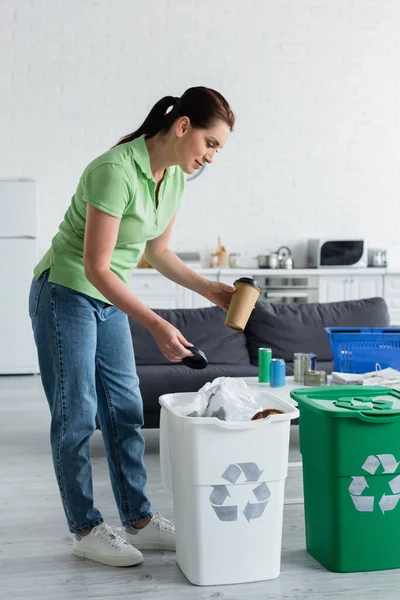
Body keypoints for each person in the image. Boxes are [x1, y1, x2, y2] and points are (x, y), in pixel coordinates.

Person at [28, 86, 236, 567]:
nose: (211, 156)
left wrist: (209, 288)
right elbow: (97, 266)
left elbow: (157, 252)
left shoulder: (177, 178)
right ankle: (85, 528)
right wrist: (157, 325)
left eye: (217, 149)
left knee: (123, 409)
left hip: (107, 297)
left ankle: (138, 522)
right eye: (210, 143)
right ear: (183, 126)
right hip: (66, 291)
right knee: (77, 415)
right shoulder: (114, 171)